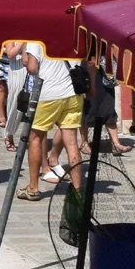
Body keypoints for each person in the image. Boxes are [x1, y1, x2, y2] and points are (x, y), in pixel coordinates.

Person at [21, 40, 84, 202]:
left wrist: (25, 57)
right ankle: (77, 190)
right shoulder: (75, 34)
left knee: (35, 138)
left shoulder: (37, 38)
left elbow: (33, 68)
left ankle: (33, 188)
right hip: (73, 93)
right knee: (72, 143)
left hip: (48, 94)